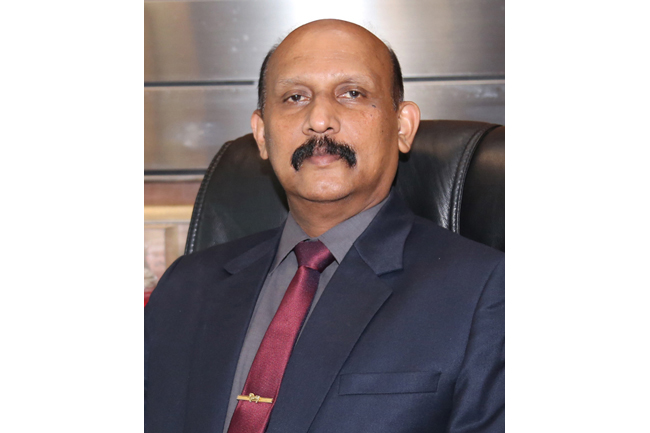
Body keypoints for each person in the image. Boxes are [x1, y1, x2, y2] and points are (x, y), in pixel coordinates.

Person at [145, 19, 504, 433]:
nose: (319, 120)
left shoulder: (485, 293)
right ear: (261, 135)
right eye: (295, 97)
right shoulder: (185, 287)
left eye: (352, 94)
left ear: (402, 126)